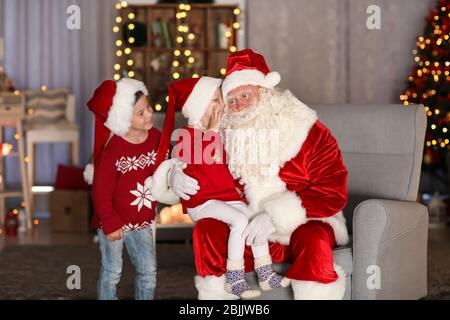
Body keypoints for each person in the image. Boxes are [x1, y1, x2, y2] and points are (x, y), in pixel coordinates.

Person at [153, 49, 350, 300]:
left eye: (245, 95)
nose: (239, 106)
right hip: (247, 229)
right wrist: (172, 176)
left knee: (313, 240)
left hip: (302, 224)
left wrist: (275, 217)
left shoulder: (307, 129)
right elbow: (190, 156)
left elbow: (332, 190)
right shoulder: (223, 134)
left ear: (264, 92)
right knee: (208, 230)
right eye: (231, 101)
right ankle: (220, 298)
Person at [152, 77, 289, 299]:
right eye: (216, 99)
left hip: (225, 198)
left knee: (255, 219)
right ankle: (234, 279)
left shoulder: (224, 132)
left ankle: (265, 272)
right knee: (239, 221)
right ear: (198, 107)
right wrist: (211, 132)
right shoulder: (187, 135)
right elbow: (194, 162)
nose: (223, 104)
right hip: (203, 202)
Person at [85, 78, 159, 300]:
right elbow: (101, 190)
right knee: (112, 272)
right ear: (125, 117)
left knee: (148, 272)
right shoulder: (114, 148)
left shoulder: (156, 137)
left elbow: (170, 160)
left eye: (148, 107)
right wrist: (109, 222)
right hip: (114, 223)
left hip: (142, 221)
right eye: (140, 113)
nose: (148, 114)